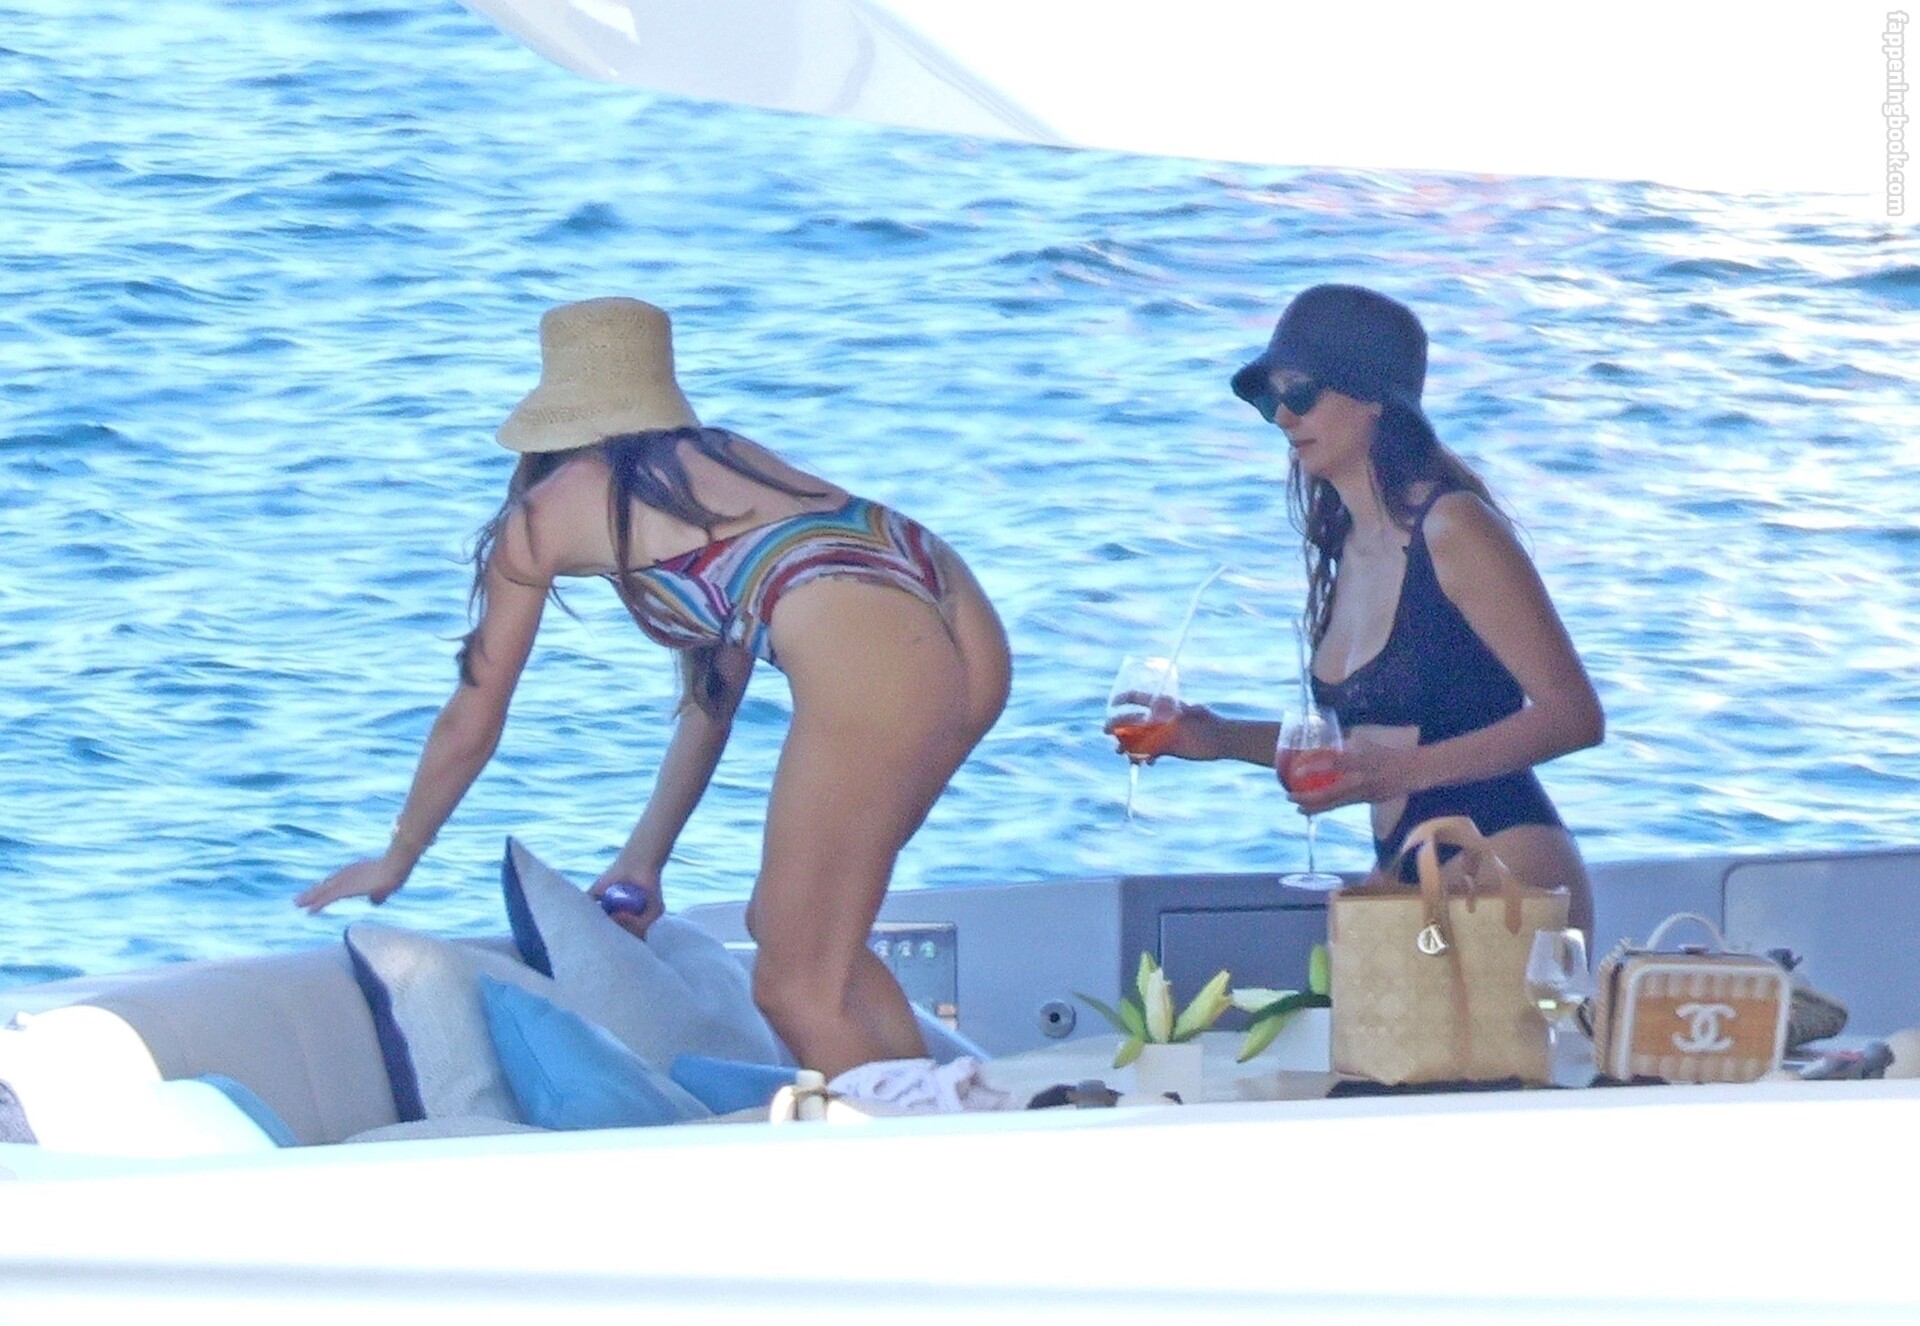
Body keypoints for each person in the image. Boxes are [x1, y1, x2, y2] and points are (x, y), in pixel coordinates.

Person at [297, 297, 1013, 1109]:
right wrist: (646, 857)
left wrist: (400, 853)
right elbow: (713, 701)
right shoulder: (721, 465)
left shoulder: (543, 517)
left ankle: (908, 1167)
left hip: (867, 639)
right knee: (819, 948)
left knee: (793, 985)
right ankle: (949, 1124)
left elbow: (473, 717)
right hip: (942, 595)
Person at [1144, 285, 1603, 935]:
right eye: (1270, 398)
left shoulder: (1453, 527)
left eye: (1300, 393)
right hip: (1407, 870)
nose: (1282, 417)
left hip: (1504, 865)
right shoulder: (1349, 544)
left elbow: (1575, 717)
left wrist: (1398, 774)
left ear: (1373, 400)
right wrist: (1217, 738)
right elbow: (1366, 747)